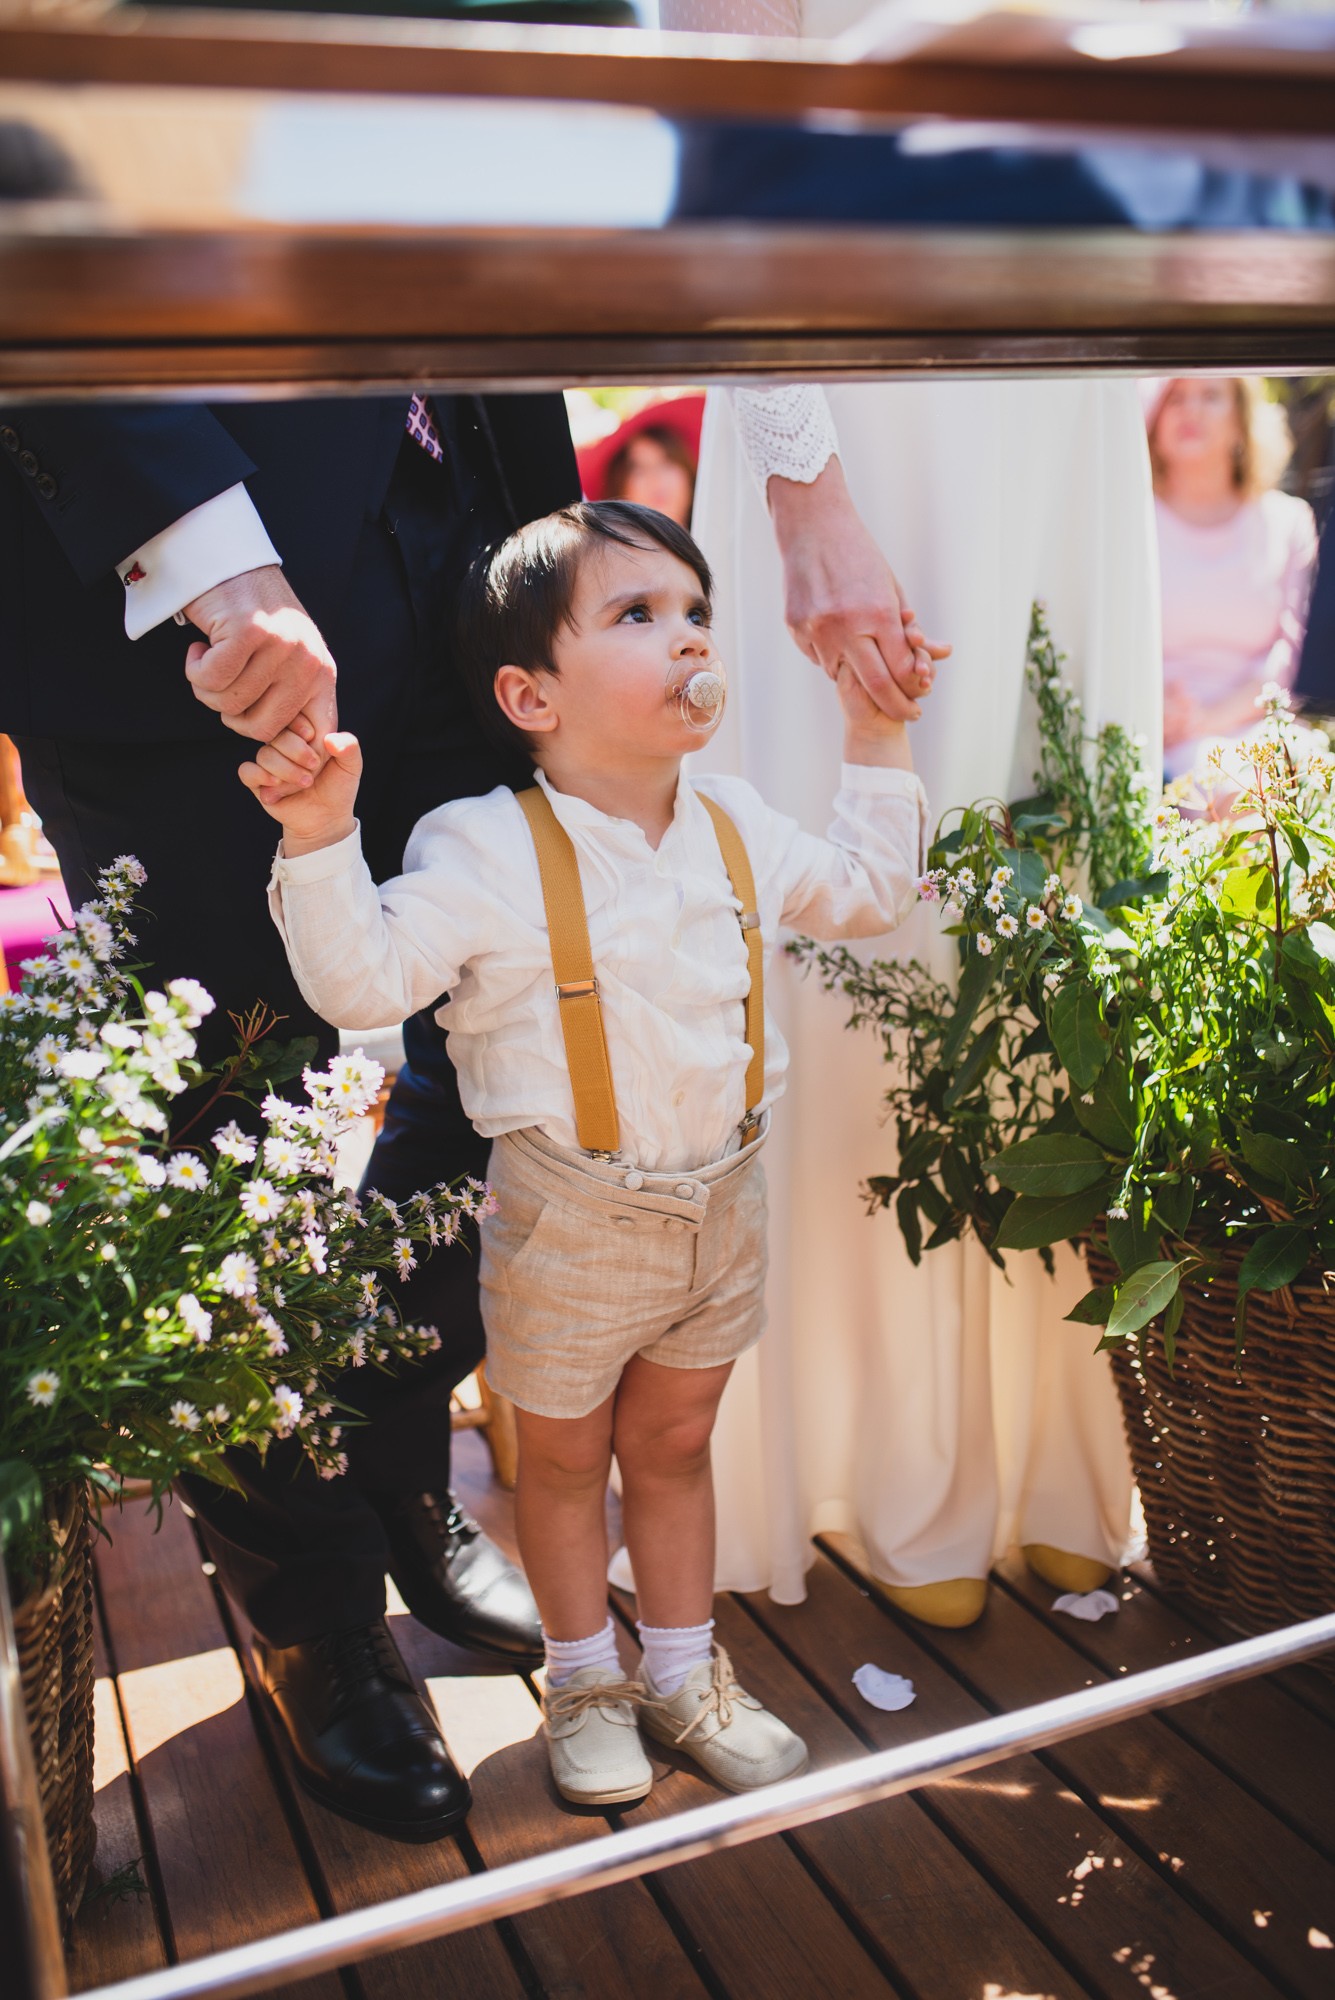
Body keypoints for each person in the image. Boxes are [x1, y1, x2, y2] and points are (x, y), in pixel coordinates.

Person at [249, 499, 935, 1806]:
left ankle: (680, 1675)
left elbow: (867, 893)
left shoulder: (734, 822)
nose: (685, 639)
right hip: (565, 1216)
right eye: (636, 615)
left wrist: (875, 731)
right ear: (528, 693)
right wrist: (319, 835)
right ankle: (583, 1681)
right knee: (562, 1461)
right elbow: (359, 982)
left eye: (693, 612)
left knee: (674, 1445)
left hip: (719, 1199)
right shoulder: (480, 846)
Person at [0, 390, 579, 1841]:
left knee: (475, 1075)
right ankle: (308, 1603)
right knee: (237, 1132)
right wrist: (204, 550)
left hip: (473, 550)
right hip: (179, 595)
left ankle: (394, 1470)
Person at [659, 0, 1163, 1627]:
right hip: (862, 376)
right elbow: (725, 117)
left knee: (1050, 870)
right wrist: (807, 497)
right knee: (873, 907)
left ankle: (1046, 1441)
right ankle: (880, 1456)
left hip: (1063, 380)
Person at [1148, 378, 1318, 781]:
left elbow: (1295, 651)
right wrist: (1154, 707)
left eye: (1210, 395)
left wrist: (1214, 717)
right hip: (1161, 737)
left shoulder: (1288, 522)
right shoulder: (1129, 524)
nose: (1191, 410)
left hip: (1264, 725)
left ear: (1242, 419)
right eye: (1176, 397)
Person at [577, 394, 705, 528]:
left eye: (667, 463)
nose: (655, 478)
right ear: (620, 486)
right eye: (639, 469)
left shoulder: (722, 536)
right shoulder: (604, 548)